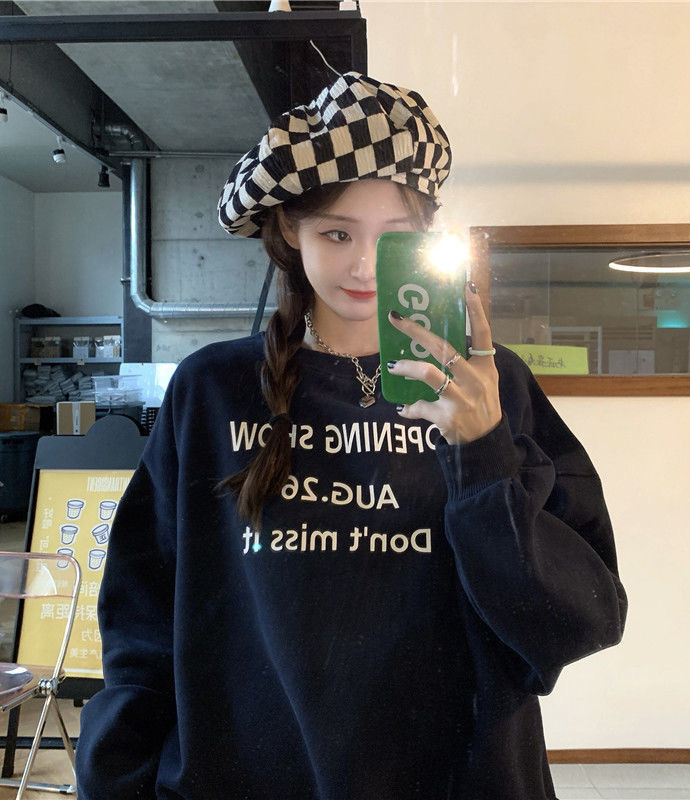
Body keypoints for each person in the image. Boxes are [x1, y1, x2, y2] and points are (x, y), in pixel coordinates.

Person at [75, 72, 627, 800]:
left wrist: (484, 452)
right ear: (289, 233)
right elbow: (144, 615)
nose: (364, 265)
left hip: (460, 776)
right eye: (337, 233)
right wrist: (119, 773)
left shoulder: (493, 389)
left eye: (397, 238)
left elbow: (575, 621)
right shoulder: (212, 389)